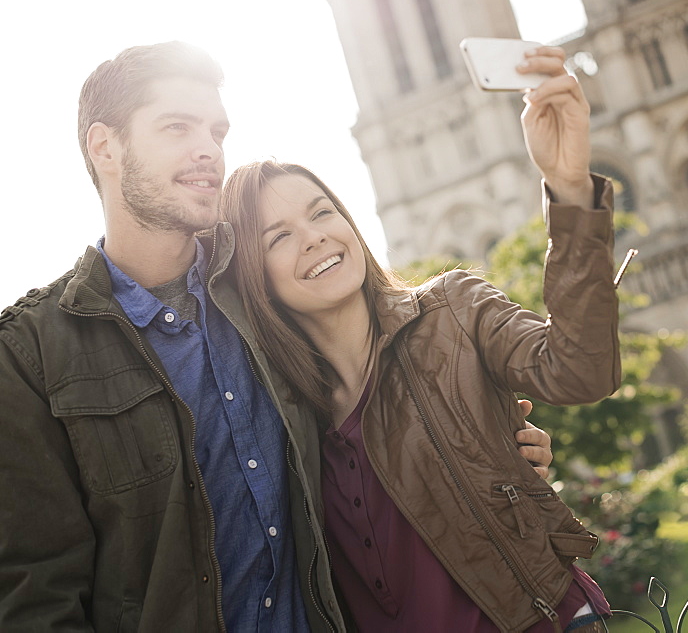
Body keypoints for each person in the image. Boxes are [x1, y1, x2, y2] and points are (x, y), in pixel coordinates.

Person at [0, 40, 552, 632]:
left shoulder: (267, 286)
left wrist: (482, 447)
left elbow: (375, 402)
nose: (207, 150)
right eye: (177, 128)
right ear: (105, 147)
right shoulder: (29, 354)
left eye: (217, 131)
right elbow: (36, 593)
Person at [219, 45, 621, 632]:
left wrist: (569, 189)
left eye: (322, 212)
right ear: (253, 278)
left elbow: (581, 370)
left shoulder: (452, 309)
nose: (314, 238)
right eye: (278, 237)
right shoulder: (275, 411)